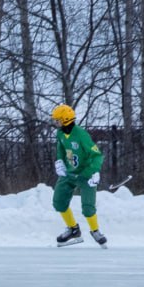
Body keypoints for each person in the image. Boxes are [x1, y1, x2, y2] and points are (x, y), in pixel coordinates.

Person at [51, 103, 106, 247]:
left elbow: (96, 155)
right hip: (69, 173)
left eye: (58, 120)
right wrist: (59, 161)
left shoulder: (81, 135)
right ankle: (73, 229)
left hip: (85, 174)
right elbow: (61, 149)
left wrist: (95, 171)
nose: (56, 123)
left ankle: (95, 231)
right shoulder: (60, 133)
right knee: (59, 202)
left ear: (66, 119)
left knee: (88, 207)